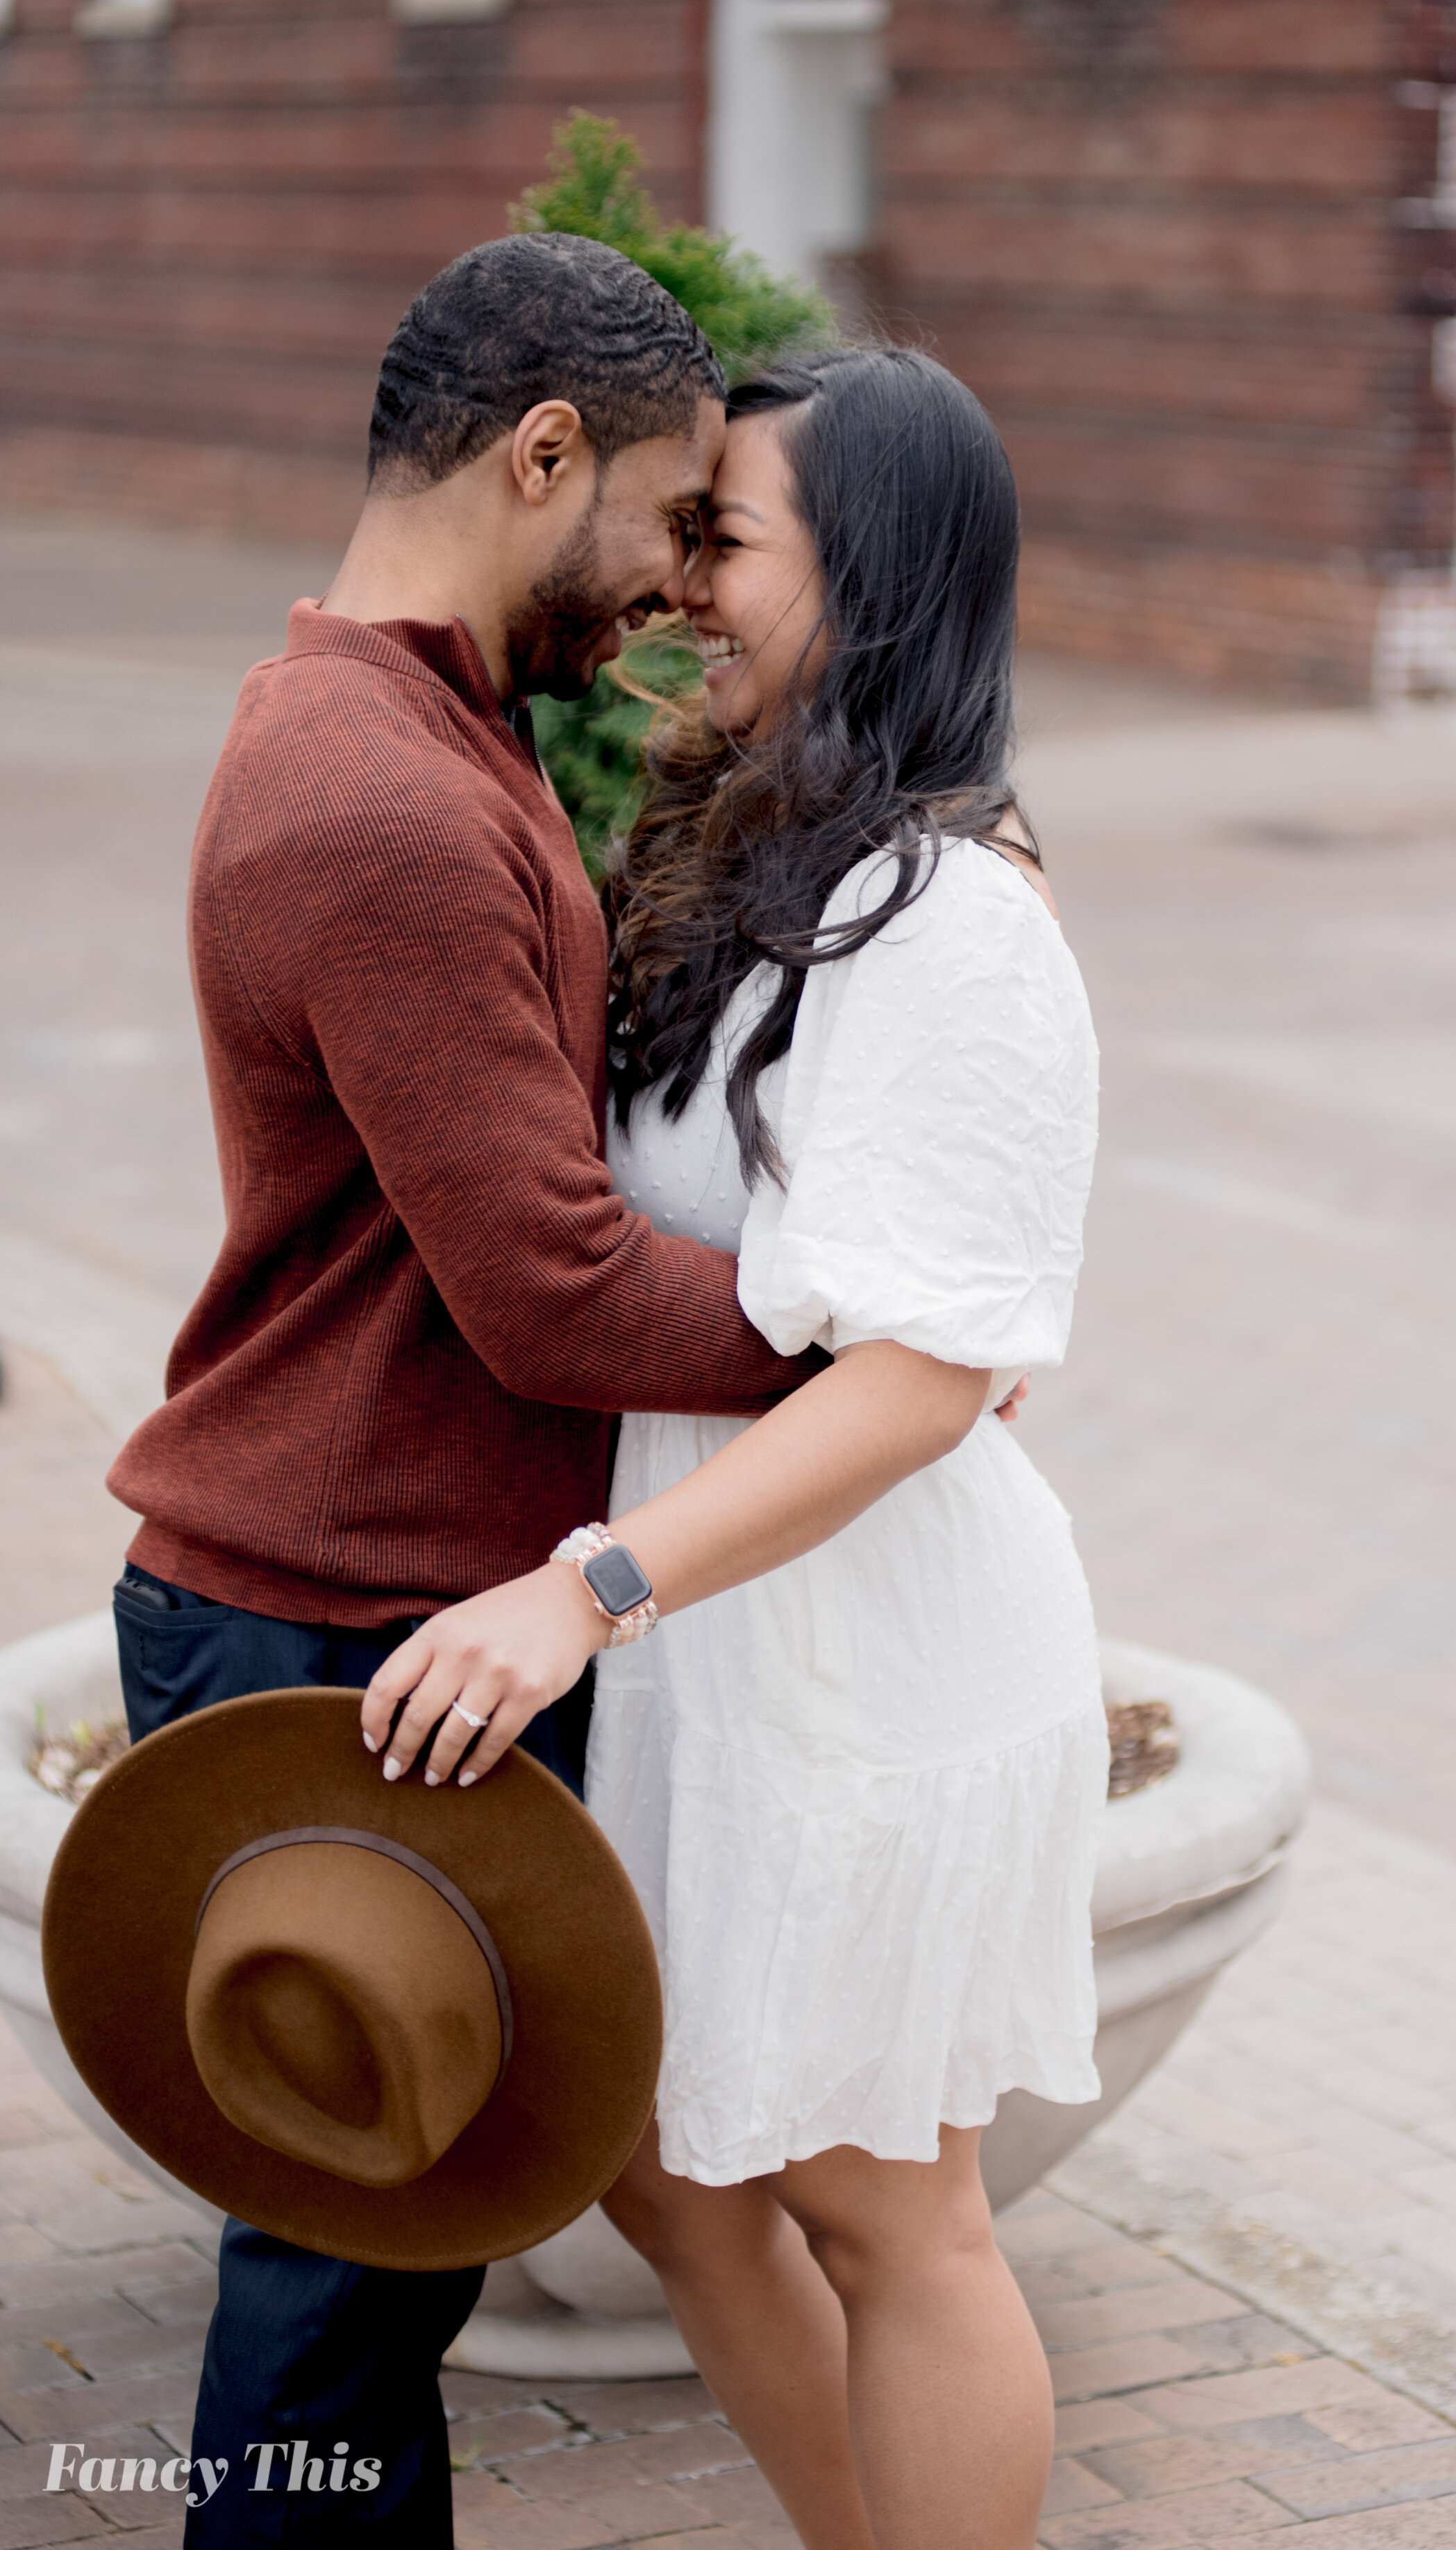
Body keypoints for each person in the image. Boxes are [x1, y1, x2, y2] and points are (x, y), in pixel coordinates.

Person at [104, 233, 830, 2545]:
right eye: (667, 515)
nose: (675, 581)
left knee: (370, 2275)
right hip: (343, 1626)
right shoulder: (386, 799)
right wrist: (874, 1347)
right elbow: (543, 1286)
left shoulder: (404, 723)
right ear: (542, 457)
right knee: (333, 2309)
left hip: (365, 1603)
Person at [362, 347, 1107, 2550]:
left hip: (859, 1653)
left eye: (725, 540)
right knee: (670, 2176)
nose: (674, 582)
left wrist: (578, 1589)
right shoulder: (749, 841)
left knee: (893, 2216)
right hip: (717, 1633)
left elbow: (918, 1377)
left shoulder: (954, 912)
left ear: (866, 583)